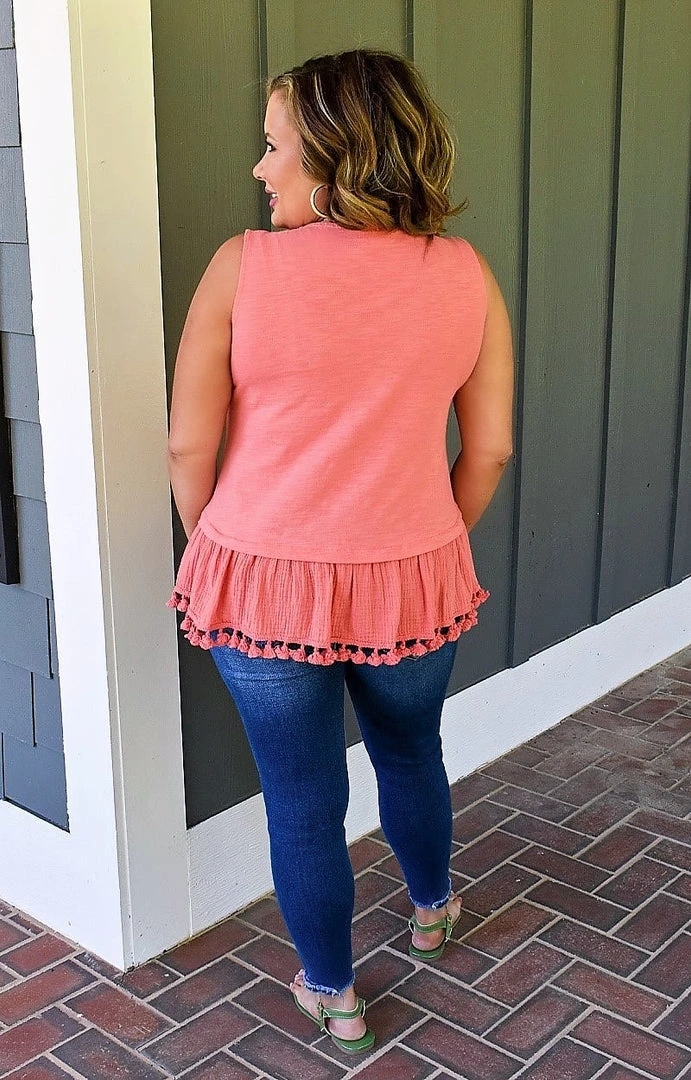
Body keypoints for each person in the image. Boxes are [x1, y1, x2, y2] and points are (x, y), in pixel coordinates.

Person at [166, 48, 514, 1054]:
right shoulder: (464, 272)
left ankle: (335, 994)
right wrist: (424, 539)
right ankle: (433, 911)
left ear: (331, 156)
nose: (258, 169)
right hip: (412, 578)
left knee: (303, 802)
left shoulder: (241, 266)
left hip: (260, 582)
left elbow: (189, 446)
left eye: (274, 147)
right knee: (411, 751)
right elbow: (488, 449)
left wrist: (224, 548)